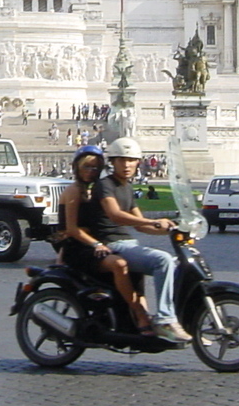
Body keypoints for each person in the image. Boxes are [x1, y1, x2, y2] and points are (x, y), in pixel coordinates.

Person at [98, 137, 190, 343]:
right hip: (112, 245)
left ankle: (169, 314)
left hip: (129, 244)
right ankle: (166, 319)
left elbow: (140, 224)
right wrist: (154, 221)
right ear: (112, 162)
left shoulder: (127, 187)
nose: (127, 164)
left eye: (131, 160)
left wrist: (171, 229)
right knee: (162, 260)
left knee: (175, 265)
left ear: (138, 162)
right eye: (122, 160)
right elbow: (115, 215)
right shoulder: (105, 185)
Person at [58, 146, 147, 331]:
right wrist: (96, 243)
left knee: (136, 266)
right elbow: (72, 229)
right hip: (77, 248)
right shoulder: (74, 191)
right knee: (119, 264)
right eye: (87, 167)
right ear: (77, 167)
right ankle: (140, 314)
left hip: (91, 245)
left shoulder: (92, 191)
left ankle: (134, 318)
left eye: (96, 168)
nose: (91, 172)